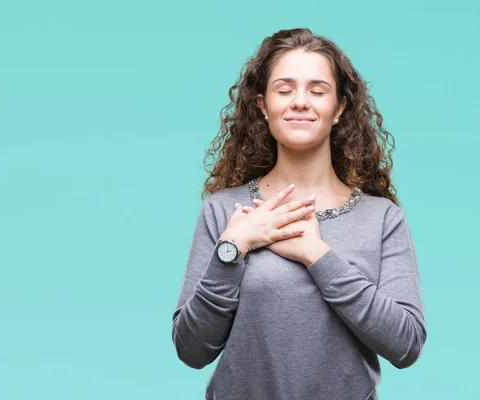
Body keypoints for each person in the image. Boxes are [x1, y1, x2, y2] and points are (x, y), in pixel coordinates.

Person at [171, 28, 426, 400]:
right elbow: (192, 350)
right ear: (262, 105)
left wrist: (317, 255)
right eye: (284, 89)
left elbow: (406, 345)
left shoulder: (382, 219)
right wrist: (232, 248)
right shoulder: (225, 211)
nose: (300, 102)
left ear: (339, 108)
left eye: (317, 90)